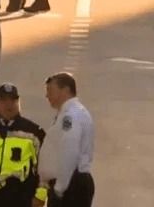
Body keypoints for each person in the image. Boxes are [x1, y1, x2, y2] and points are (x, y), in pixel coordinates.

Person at [40, 73, 95, 207]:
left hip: (70, 185)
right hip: (71, 183)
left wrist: (59, 188)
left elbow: (69, 152)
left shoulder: (69, 116)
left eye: (50, 91)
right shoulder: (72, 112)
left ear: (66, 90)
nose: (47, 95)